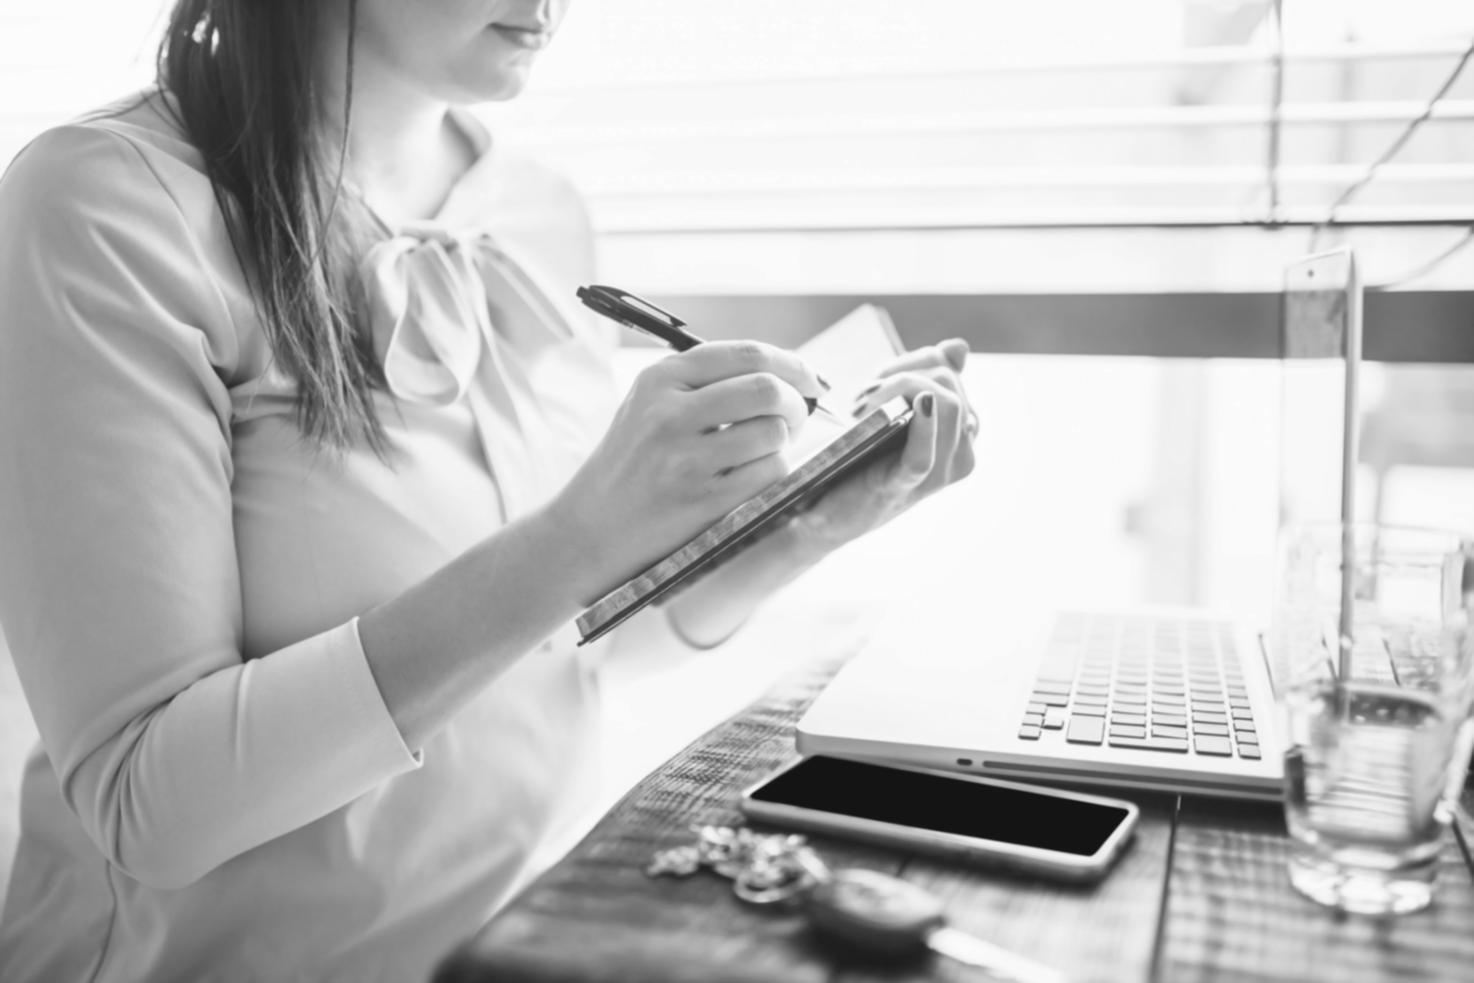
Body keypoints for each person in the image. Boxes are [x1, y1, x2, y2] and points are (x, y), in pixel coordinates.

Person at [0, 2, 977, 980]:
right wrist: (584, 533)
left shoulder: (537, 209)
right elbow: (150, 809)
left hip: (528, 945)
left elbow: (557, 653)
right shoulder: (108, 205)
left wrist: (803, 529)